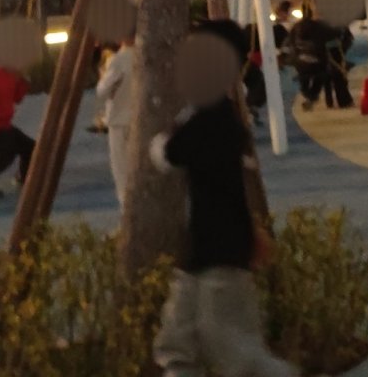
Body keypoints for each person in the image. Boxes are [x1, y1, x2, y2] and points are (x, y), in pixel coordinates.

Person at [155, 22, 291, 377]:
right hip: (203, 248)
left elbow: (169, 153)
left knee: (233, 346)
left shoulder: (213, 116)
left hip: (221, 250)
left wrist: (164, 143)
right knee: (179, 336)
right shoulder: (212, 113)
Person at [96, 42, 140, 203]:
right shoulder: (145, 54)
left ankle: (127, 209)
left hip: (119, 120)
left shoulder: (118, 59)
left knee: (122, 173)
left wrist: (103, 75)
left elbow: (102, 91)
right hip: (139, 118)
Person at [0, 58, 36, 188]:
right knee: (8, 152)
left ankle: (23, 178)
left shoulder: (9, 74)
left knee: (30, 148)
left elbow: (16, 98)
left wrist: (23, 81)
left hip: (4, 124)